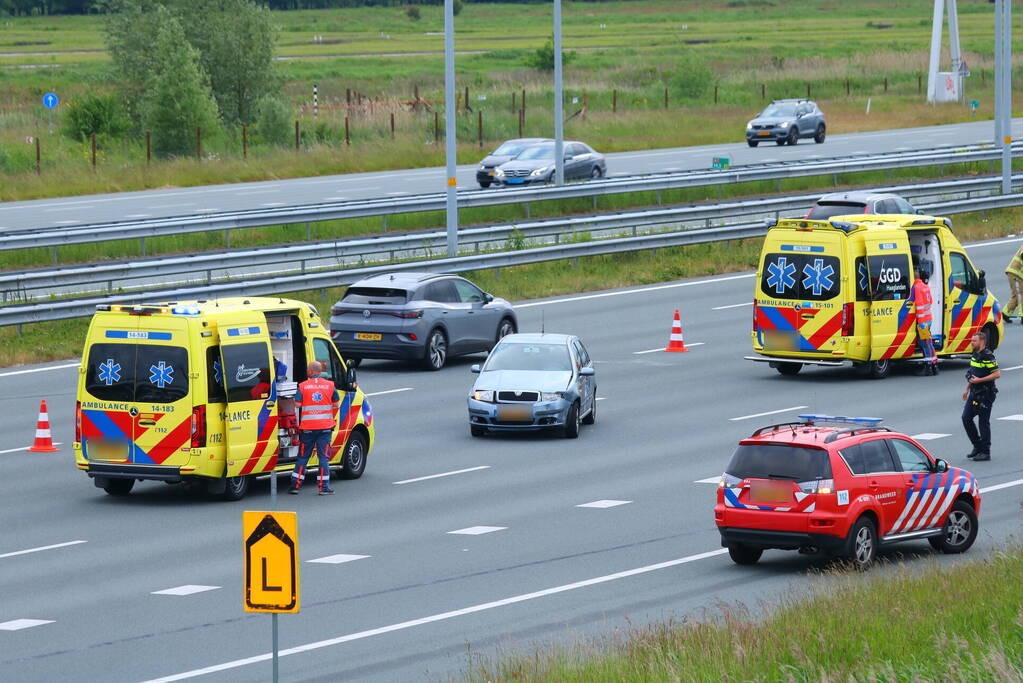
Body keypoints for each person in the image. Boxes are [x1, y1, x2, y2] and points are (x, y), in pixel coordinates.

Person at [289, 361, 339, 495]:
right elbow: (336, 404)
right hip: (325, 428)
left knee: (303, 456)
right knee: (323, 458)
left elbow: (297, 404)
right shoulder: (330, 385)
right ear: (320, 371)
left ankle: (295, 486)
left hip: (308, 429)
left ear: (310, 372)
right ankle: (324, 488)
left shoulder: (303, 386)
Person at [962, 330, 1000, 462]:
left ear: (982, 342)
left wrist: (979, 381)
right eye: (972, 340)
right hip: (974, 392)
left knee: (983, 423)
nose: (971, 343)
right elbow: (972, 373)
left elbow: (997, 374)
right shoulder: (975, 354)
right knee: (966, 418)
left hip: (985, 394)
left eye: (974, 341)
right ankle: (977, 446)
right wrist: (967, 389)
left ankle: (985, 452)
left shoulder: (988, 356)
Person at [912, 256, 937, 375]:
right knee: (929, 343)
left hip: (922, 322)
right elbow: (930, 301)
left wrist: (920, 323)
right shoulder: (924, 286)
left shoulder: (916, 287)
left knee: (925, 344)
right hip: (929, 319)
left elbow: (918, 304)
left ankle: (928, 367)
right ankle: (934, 365)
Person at [1005, 243, 1023, 323]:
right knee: (1021, 294)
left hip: (1014, 273)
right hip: (1016, 273)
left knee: (1015, 295)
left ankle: (1005, 313)